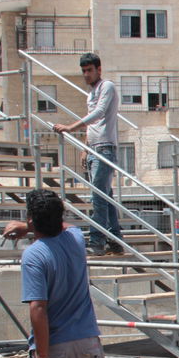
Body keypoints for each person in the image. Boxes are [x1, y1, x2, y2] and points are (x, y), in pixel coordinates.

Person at [4, 190, 110, 358]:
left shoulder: (34, 255)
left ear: (32, 219)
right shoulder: (75, 239)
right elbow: (67, 226)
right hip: (87, 342)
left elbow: (38, 308)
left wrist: (41, 357)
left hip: (57, 347)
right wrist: (29, 226)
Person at [53, 52, 123, 255]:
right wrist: (85, 148)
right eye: (83, 71)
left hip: (105, 148)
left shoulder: (106, 86)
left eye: (89, 70)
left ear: (98, 70)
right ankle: (116, 241)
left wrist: (70, 127)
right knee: (106, 196)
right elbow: (92, 126)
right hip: (94, 149)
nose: (86, 75)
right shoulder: (90, 94)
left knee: (98, 197)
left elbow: (99, 113)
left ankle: (97, 242)